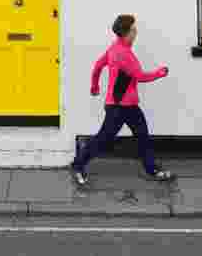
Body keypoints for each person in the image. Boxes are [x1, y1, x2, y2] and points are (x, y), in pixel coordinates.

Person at [70, 14, 176, 186]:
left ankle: (152, 169)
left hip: (130, 106)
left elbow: (98, 65)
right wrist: (160, 73)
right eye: (134, 30)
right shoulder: (123, 54)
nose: (136, 32)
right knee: (103, 139)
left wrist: (94, 86)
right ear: (127, 33)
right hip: (118, 107)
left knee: (143, 137)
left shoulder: (115, 47)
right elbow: (140, 76)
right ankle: (78, 165)